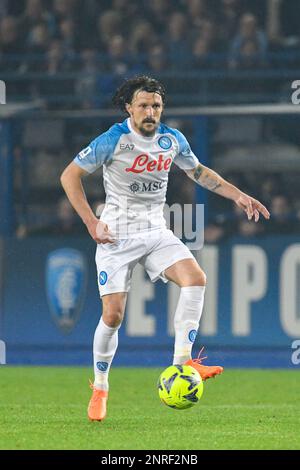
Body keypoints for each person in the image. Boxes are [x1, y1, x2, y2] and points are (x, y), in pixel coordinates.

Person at [60, 75, 270, 422]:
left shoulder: (172, 140)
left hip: (156, 231)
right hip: (116, 236)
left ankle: (182, 364)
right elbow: (69, 175)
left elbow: (199, 172)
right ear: (129, 107)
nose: (150, 111)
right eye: (143, 105)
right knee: (113, 316)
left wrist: (239, 195)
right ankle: (100, 387)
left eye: (156, 105)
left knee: (196, 278)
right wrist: (90, 222)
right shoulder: (114, 140)